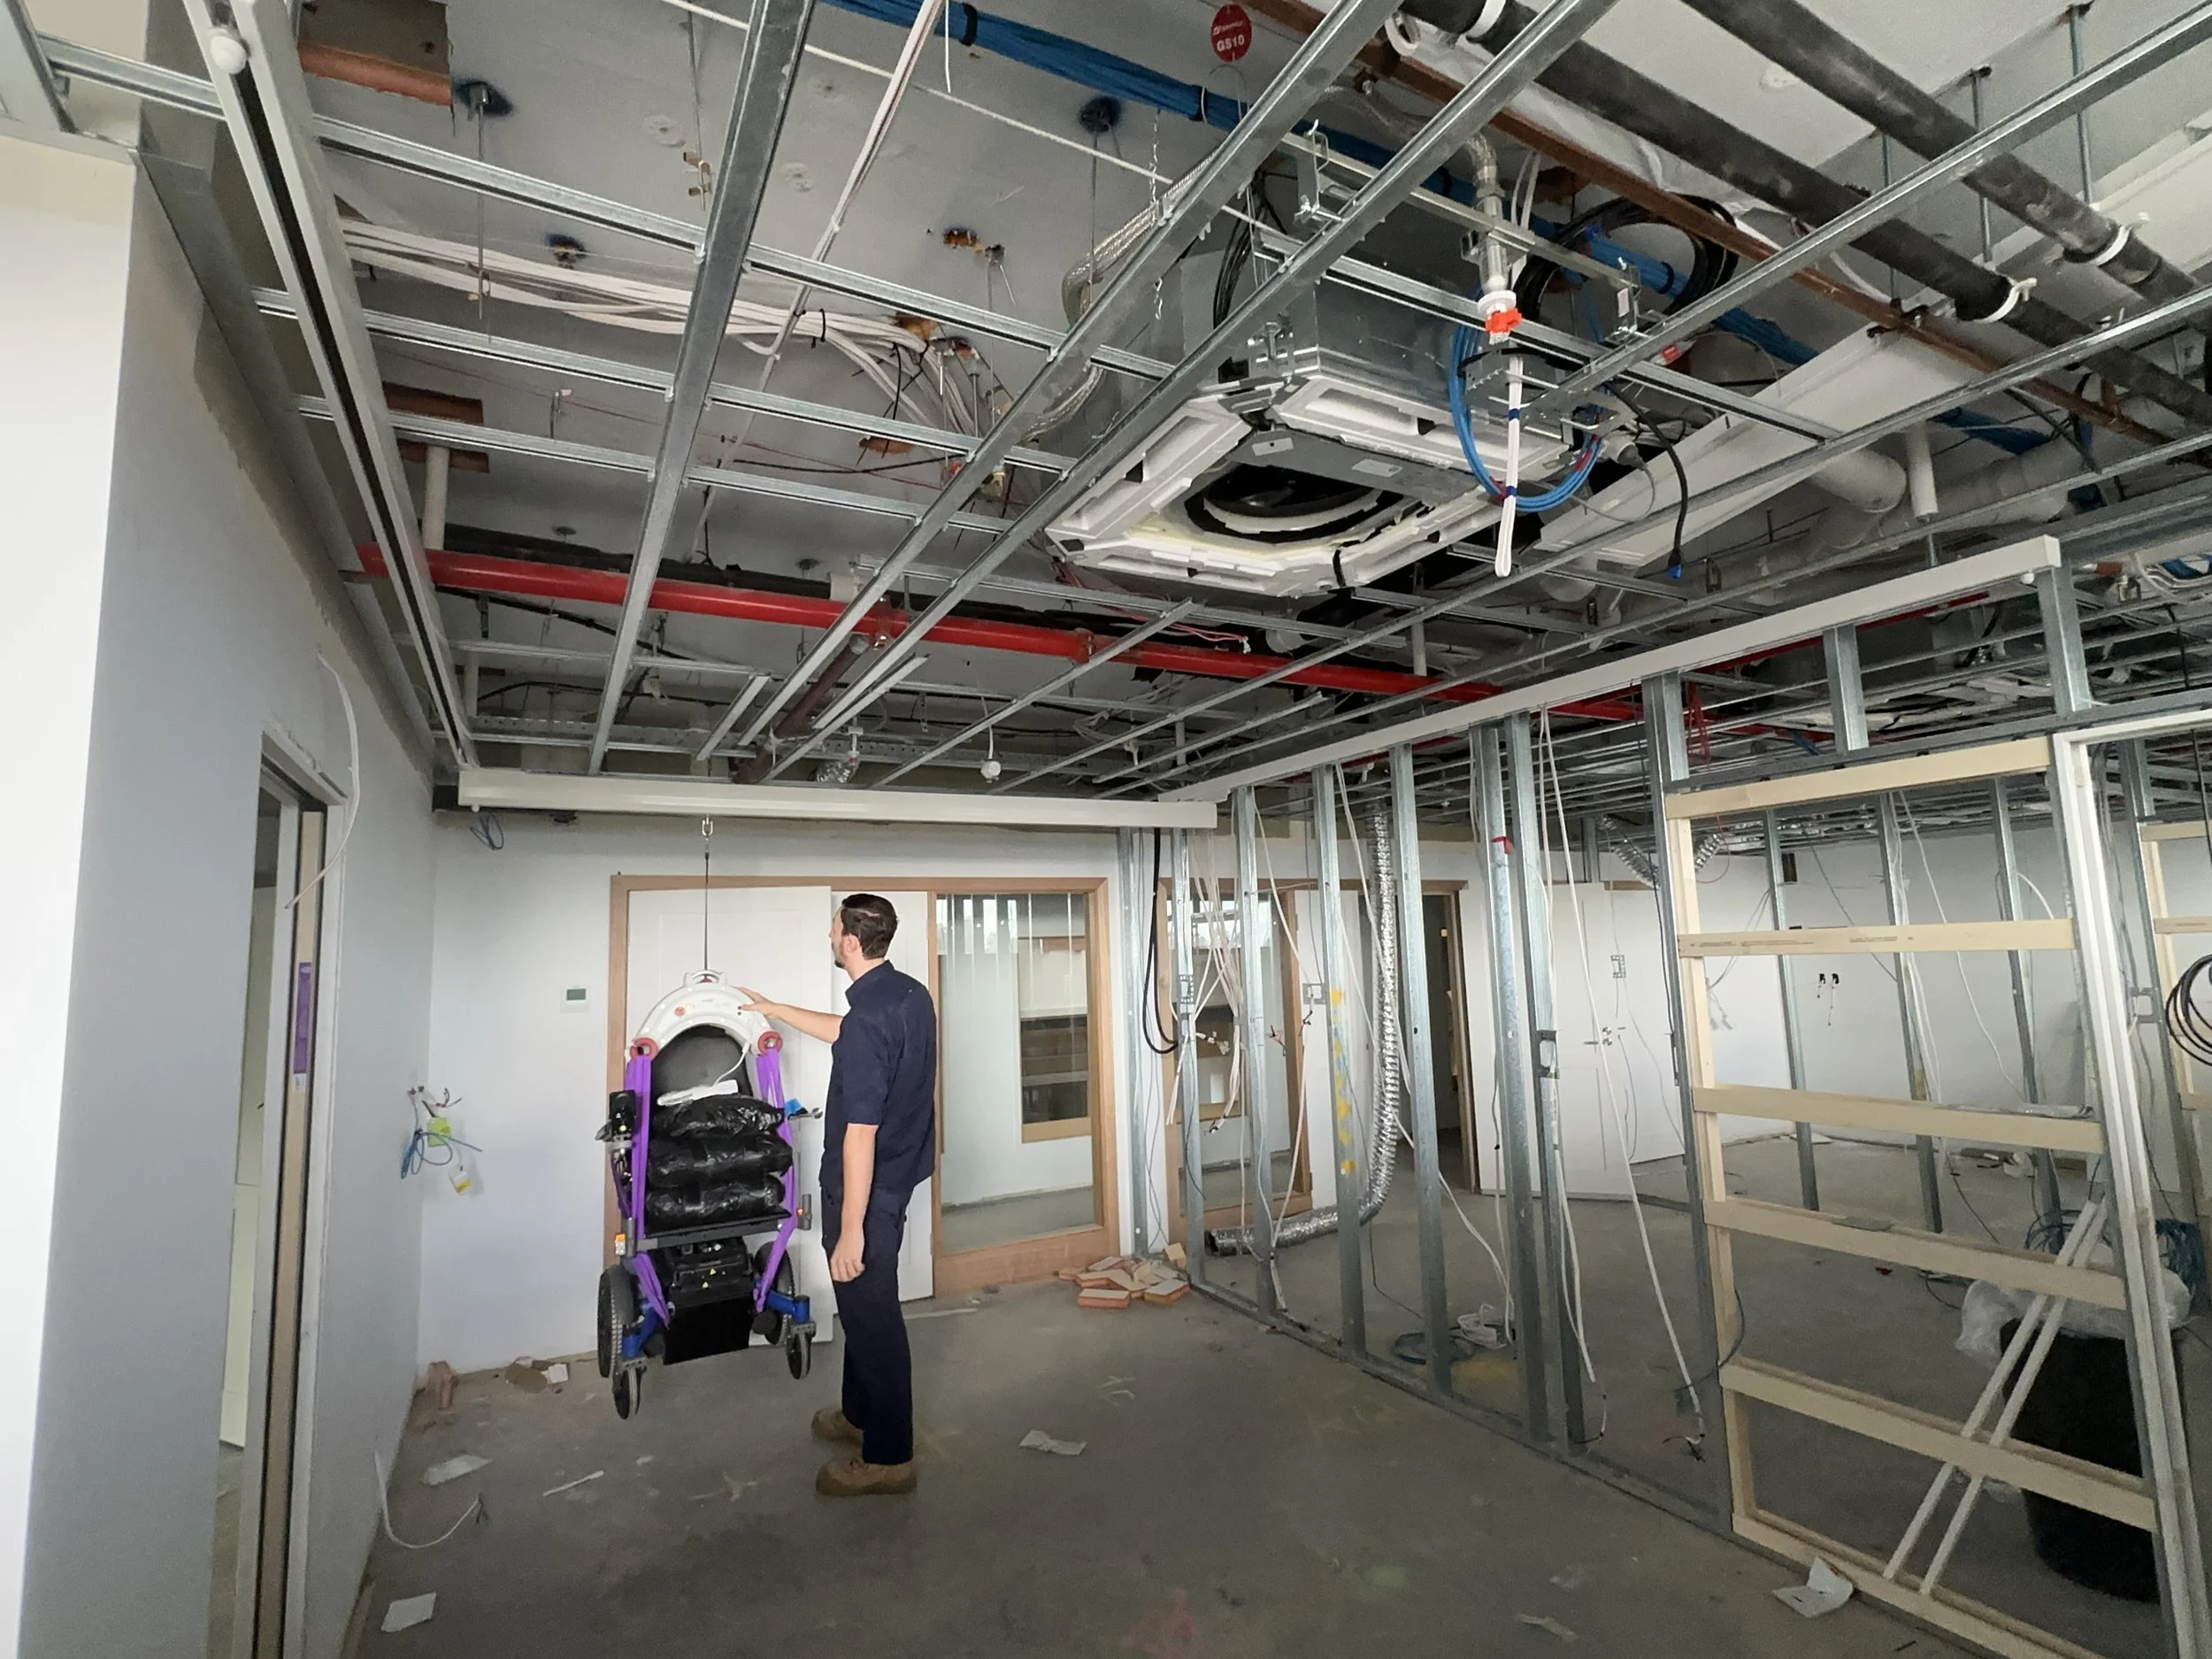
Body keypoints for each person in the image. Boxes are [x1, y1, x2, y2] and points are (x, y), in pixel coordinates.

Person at [739, 894, 935, 1498]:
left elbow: (861, 1132)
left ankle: (889, 1454)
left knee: (872, 1315)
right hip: (896, 1180)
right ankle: (858, 1414)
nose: (829, 935)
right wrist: (775, 1009)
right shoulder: (905, 995)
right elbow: (846, 1033)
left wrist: (851, 1229)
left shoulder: (874, 1017)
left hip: (866, 1193)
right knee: (858, 1305)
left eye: (833, 929)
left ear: (850, 940)